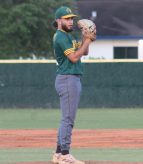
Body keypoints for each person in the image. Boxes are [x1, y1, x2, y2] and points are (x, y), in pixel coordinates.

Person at [51, 6, 95, 164]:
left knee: (65, 118)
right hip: (67, 79)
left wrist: (85, 39)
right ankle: (65, 154)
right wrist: (88, 40)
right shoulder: (60, 37)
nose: (71, 21)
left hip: (71, 78)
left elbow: (85, 52)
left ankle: (58, 154)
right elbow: (75, 58)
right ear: (58, 21)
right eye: (67, 19)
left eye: (71, 18)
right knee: (68, 119)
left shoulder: (68, 37)